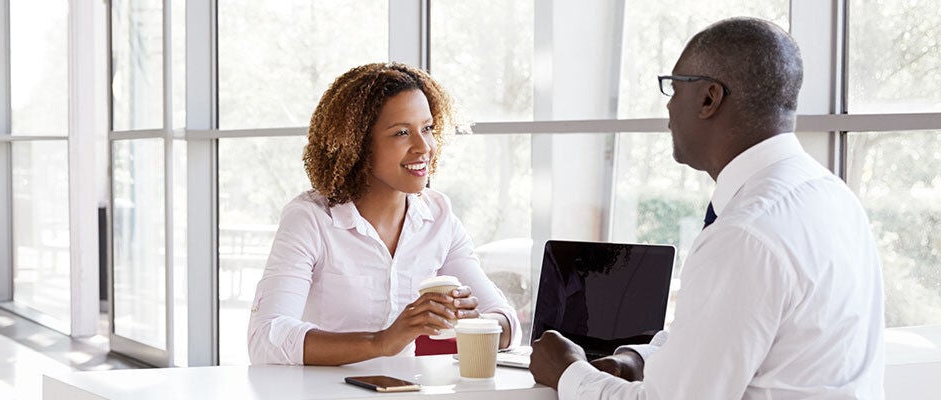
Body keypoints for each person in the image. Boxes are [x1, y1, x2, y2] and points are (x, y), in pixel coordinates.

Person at [529, 17, 886, 398]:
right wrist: (641, 359)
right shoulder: (831, 196)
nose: (668, 107)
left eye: (674, 87)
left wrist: (567, 370)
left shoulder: (745, 233)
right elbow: (745, 340)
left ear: (708, 98)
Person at [248, 62, 520, 366]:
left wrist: (475, 320)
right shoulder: (311, 219)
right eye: (402, 132)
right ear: (357, 144)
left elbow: (508, 322)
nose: (424, 146)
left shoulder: (438, 217)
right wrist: (382, 341)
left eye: (427, 128)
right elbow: (265, 338)